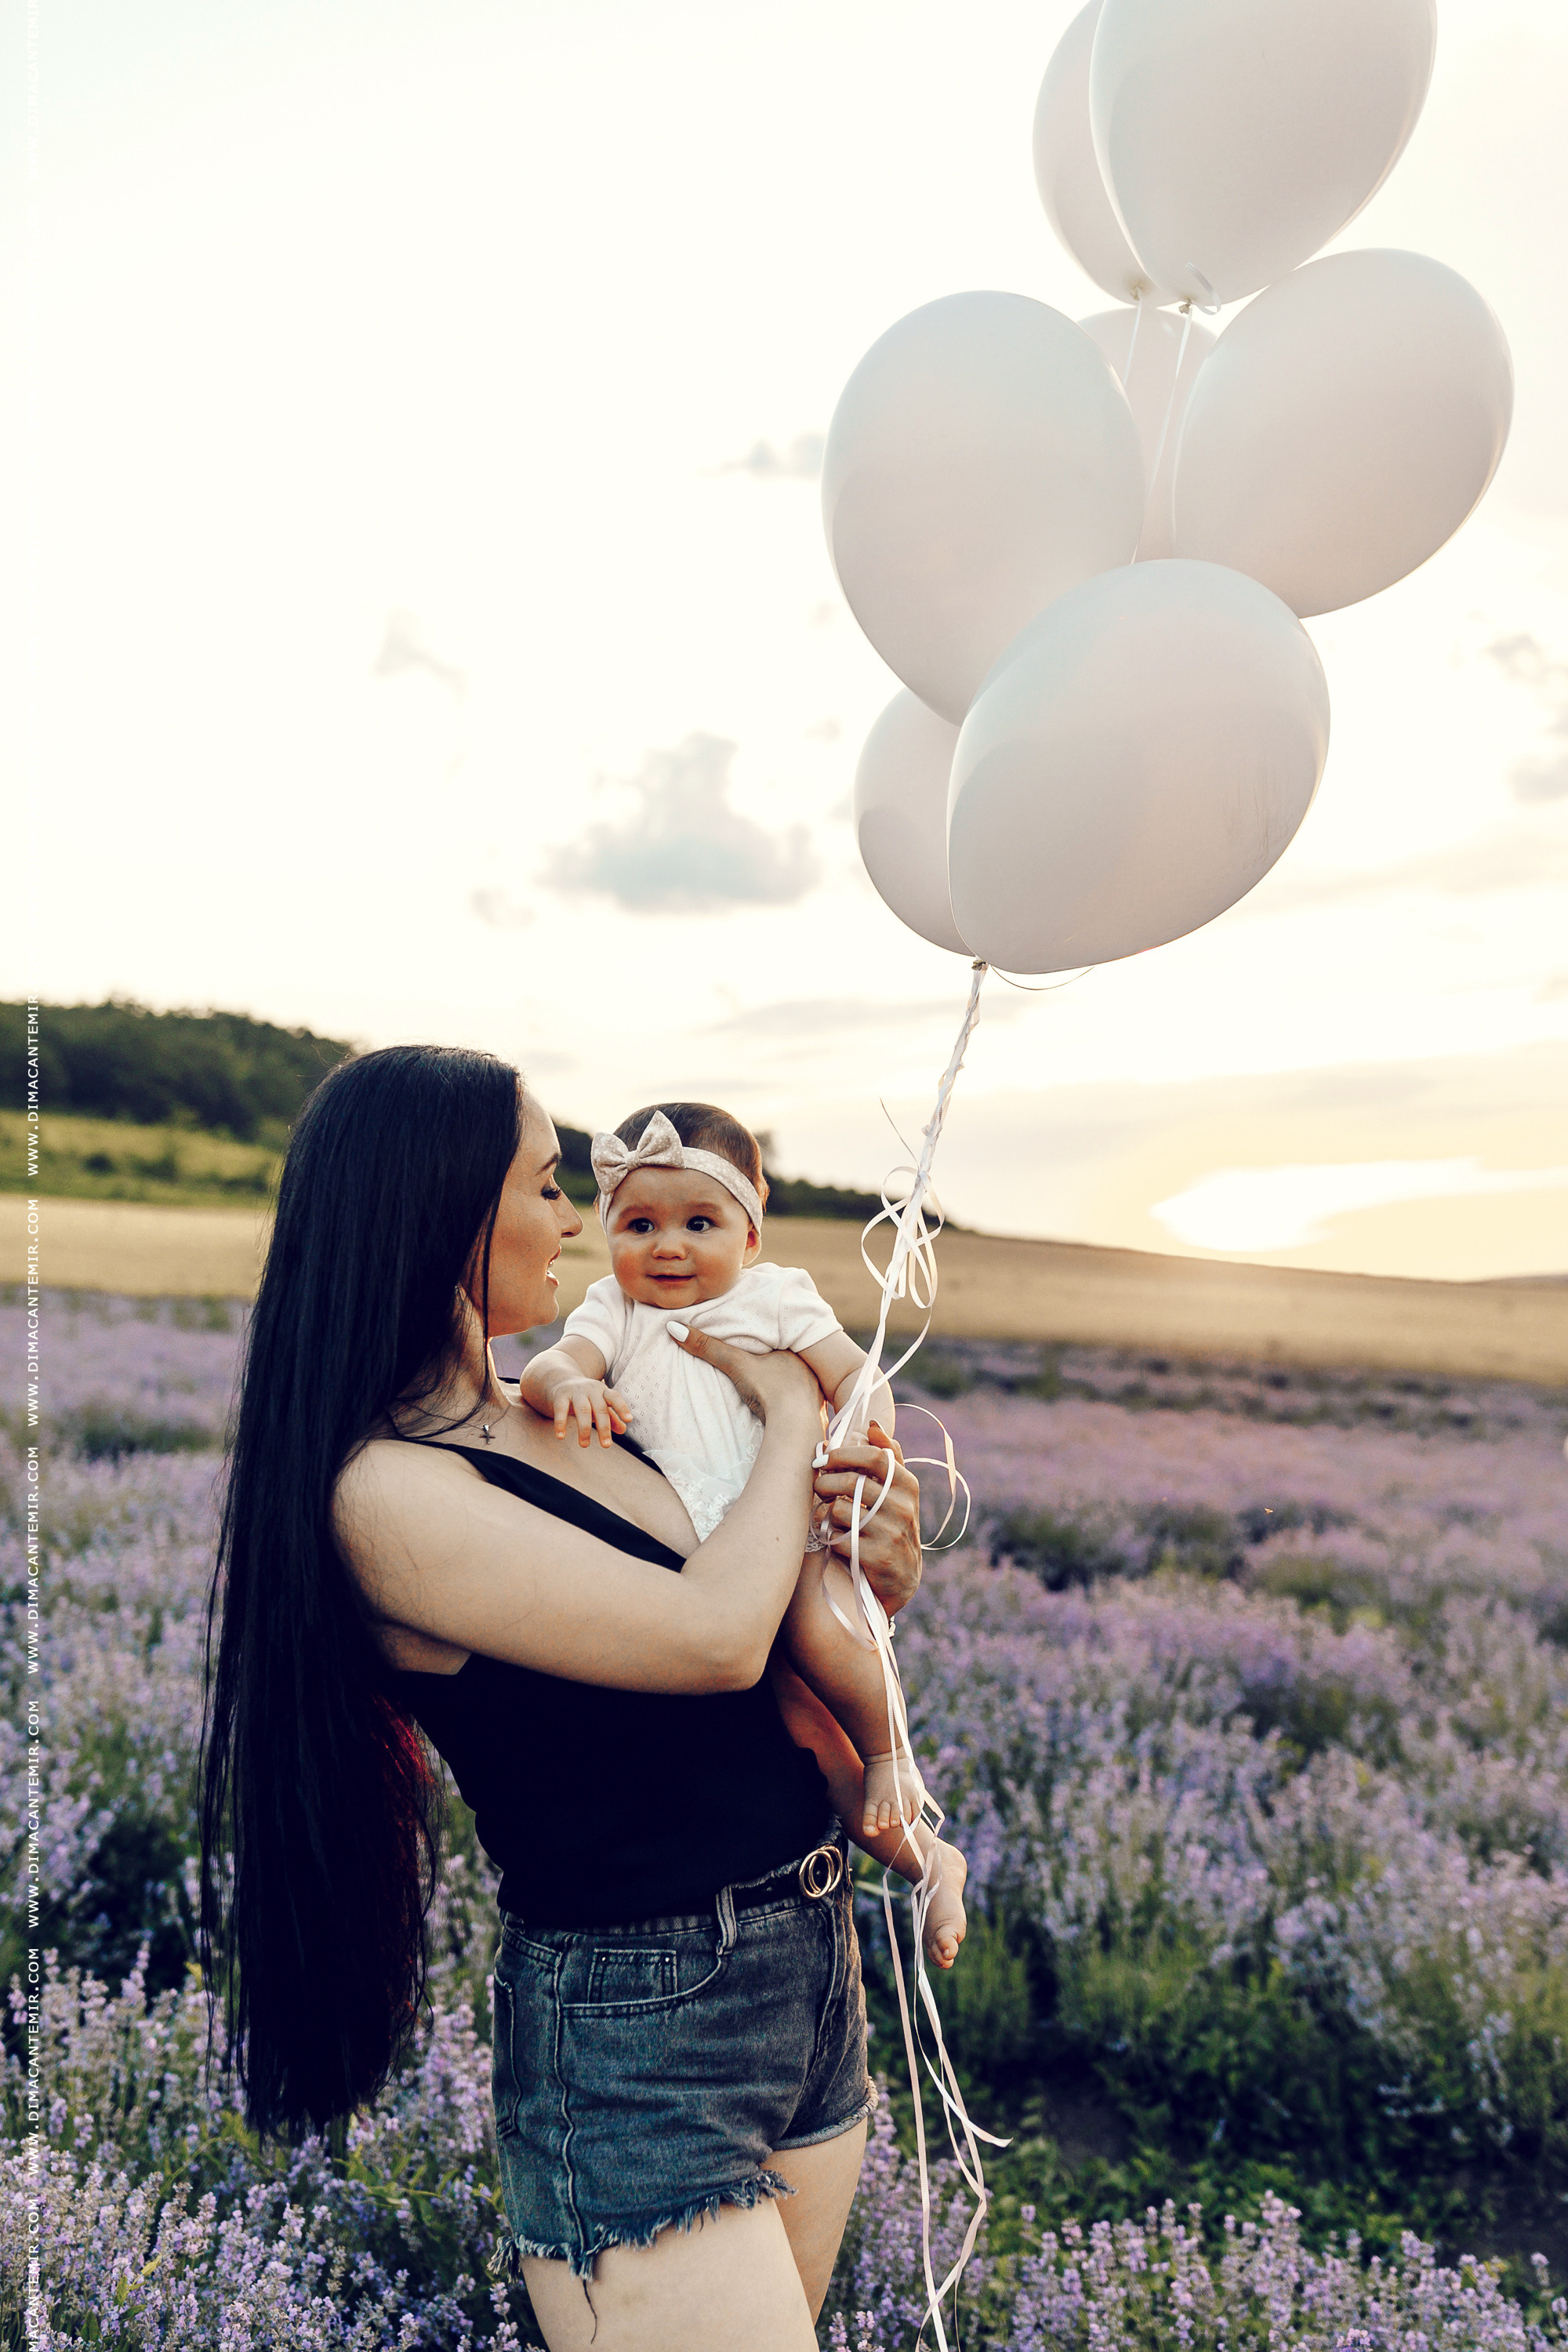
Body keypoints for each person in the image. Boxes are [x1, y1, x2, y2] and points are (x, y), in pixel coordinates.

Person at [199, 1044, 960, 2352]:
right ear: (438, 1205)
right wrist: (787, 1418)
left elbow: (757, 1632)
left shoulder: (567, 1405)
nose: (576, 1221)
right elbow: (713, 1636)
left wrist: (873, 1564)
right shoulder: (385, 1493)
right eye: (546, 1185)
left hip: (809, 1966)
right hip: (641, 2026)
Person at [517, 1100, 965, 1963]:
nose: (668, 1246)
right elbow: (550, 1363)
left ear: (751, 1236)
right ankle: (927, 1861)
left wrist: (858, 1443)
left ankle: (888, 1758)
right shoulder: (612, 1308)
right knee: (793, 1721)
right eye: (638, 1224)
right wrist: (563, 1389)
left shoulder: (774, 1298)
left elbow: (855, 1376)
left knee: (825, 1644)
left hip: (781, 1525)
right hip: (703, 1548)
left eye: (699, 1222)